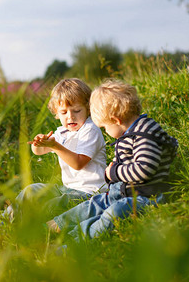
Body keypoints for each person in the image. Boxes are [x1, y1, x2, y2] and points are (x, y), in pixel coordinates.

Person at [46, 79, 178, 240]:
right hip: (124, 191)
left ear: (116, 121)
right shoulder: (130, 133)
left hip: (147, 196)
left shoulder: (144, 134)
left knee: (112, 214)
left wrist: (114, 172)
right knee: (94, 204)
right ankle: (57, 225)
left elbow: (143, 169)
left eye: (105, 127)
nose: (105, 131)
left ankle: (75, 240)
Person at [3, 78, 107, 221]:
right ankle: (4, 221)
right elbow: (38, 152)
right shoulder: (62, 132)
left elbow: (78, 163)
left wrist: (55, 146)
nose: (70, 116)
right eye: (64, 112)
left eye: (77, 110)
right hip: (68, 189)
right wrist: (39, 143)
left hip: (91, 193)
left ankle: (32, 227)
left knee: (51, 205)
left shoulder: (90, 130)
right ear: (56, 113)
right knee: (31, 190)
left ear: (88, 109)